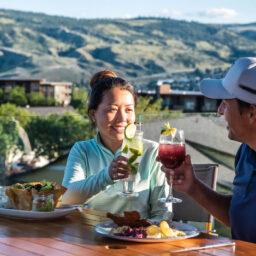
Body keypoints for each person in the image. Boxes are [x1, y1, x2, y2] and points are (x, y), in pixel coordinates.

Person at [162, 57, 256, 243]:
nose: (220, 111)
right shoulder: (246, 153)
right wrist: (193, 186)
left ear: (252, 113)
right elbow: (239, 215)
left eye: (226, 104)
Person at [62, 70, 169, 219]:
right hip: (88, 236)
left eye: (128, 110)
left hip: (135, 238)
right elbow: (67, 199)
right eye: (112, 109)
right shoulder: (82, 150)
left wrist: (138, 233)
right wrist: (107, 176)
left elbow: (162, 214)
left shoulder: (152, 151)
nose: (122, 118)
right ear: (93, 114)